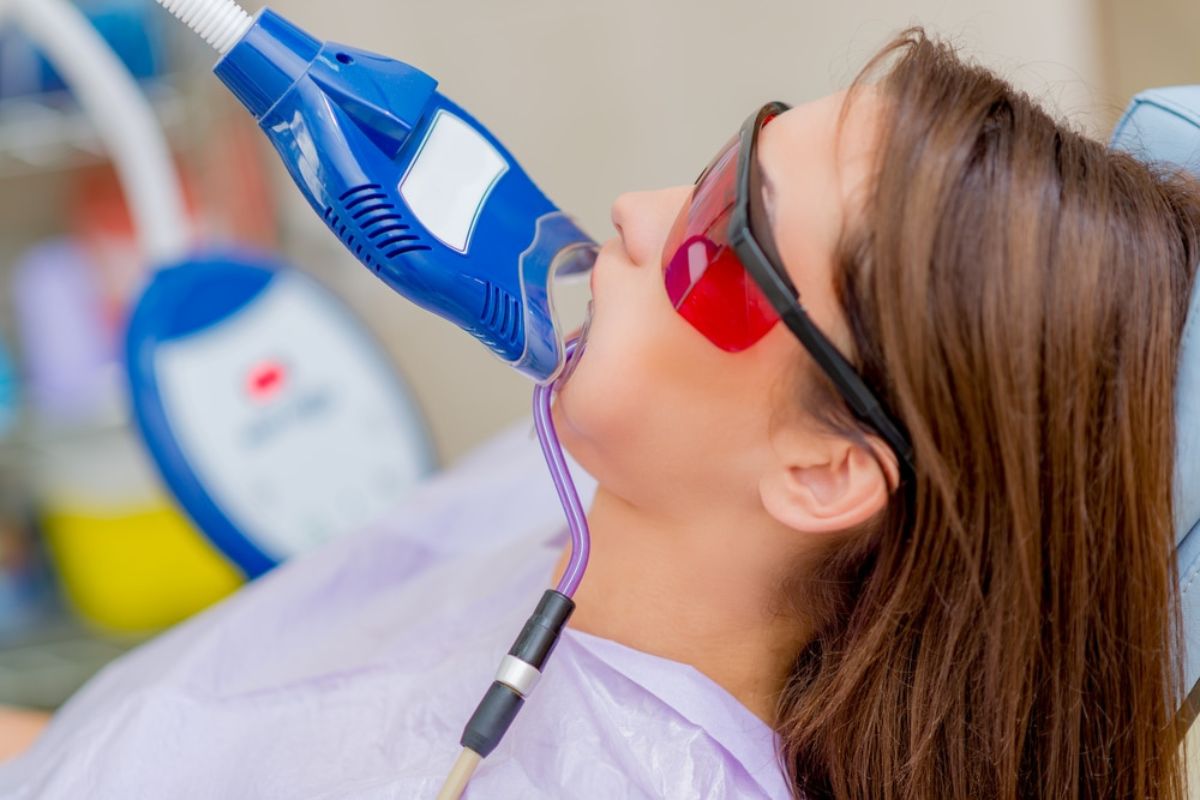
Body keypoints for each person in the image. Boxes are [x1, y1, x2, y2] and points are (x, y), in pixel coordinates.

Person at [3, 27, 1199, 799]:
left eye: (722, 232)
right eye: (726, 157)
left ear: (825, 468)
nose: (637, 206)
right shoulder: (578, 494)